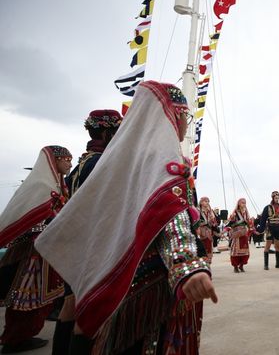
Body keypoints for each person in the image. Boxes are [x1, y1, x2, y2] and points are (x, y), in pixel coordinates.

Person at [35, 81, 217, 354]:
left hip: (115, 263)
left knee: (87, 322)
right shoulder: (160, 164)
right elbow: (168, 217)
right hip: (147, 279)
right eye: (184, 115)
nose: (186, 123)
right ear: (172, 116)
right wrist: (187, 266)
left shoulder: (119, 161)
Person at [51, 109, 122, 354]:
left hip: (76, 242)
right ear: (107, 132)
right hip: (94, 245)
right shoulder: (101, 164)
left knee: (70, 304)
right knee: (89, 310)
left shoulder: (80, 165)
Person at [0, 146, 72, 353]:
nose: (68, 163)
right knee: (25, 298)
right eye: (65, 159)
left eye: (70, 159)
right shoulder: (41, 186)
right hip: (31, 254)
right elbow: (30, 222)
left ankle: (21, 336)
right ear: (54, 161)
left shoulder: (57, 186)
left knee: (37, 299)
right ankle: (14, 339)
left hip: (43, 251)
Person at [259, 191, 279, 270]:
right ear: (273, 198)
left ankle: (278, 264)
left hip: (278, 228)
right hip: (270, 228)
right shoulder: (267, 207)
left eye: (278, 198)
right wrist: (261, 229)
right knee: (268, 245)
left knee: (277, 246)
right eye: (276, 198)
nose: (277, 199)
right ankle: (266, 265)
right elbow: (263, 219)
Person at [227, 198, 251, 273]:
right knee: (235, 250)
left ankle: (241, 265)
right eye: (242, 203)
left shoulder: (246, 212)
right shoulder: (235, 212)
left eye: (245, 203)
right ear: (239, 204)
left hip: (244, 233)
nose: (244, 204)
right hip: (237, 233)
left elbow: (248, 222)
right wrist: (232, 217)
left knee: (245, 250)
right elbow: (230, 221)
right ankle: (235, 266)